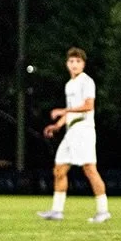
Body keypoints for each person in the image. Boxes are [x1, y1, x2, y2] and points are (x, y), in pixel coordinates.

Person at [38, 47, 111, 223]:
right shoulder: (69, 84)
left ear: (83, 64)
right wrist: (57, 125)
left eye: (78, 61)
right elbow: (71, 112)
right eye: (71, 61)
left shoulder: (87, 82)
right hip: (71, 132)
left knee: (90, 169)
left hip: (84, 130)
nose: (74, 64)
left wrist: (64, 110)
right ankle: (57, 211)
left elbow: (88, 106)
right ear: (67, 64)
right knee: (59, 170)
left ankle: (103, 211)